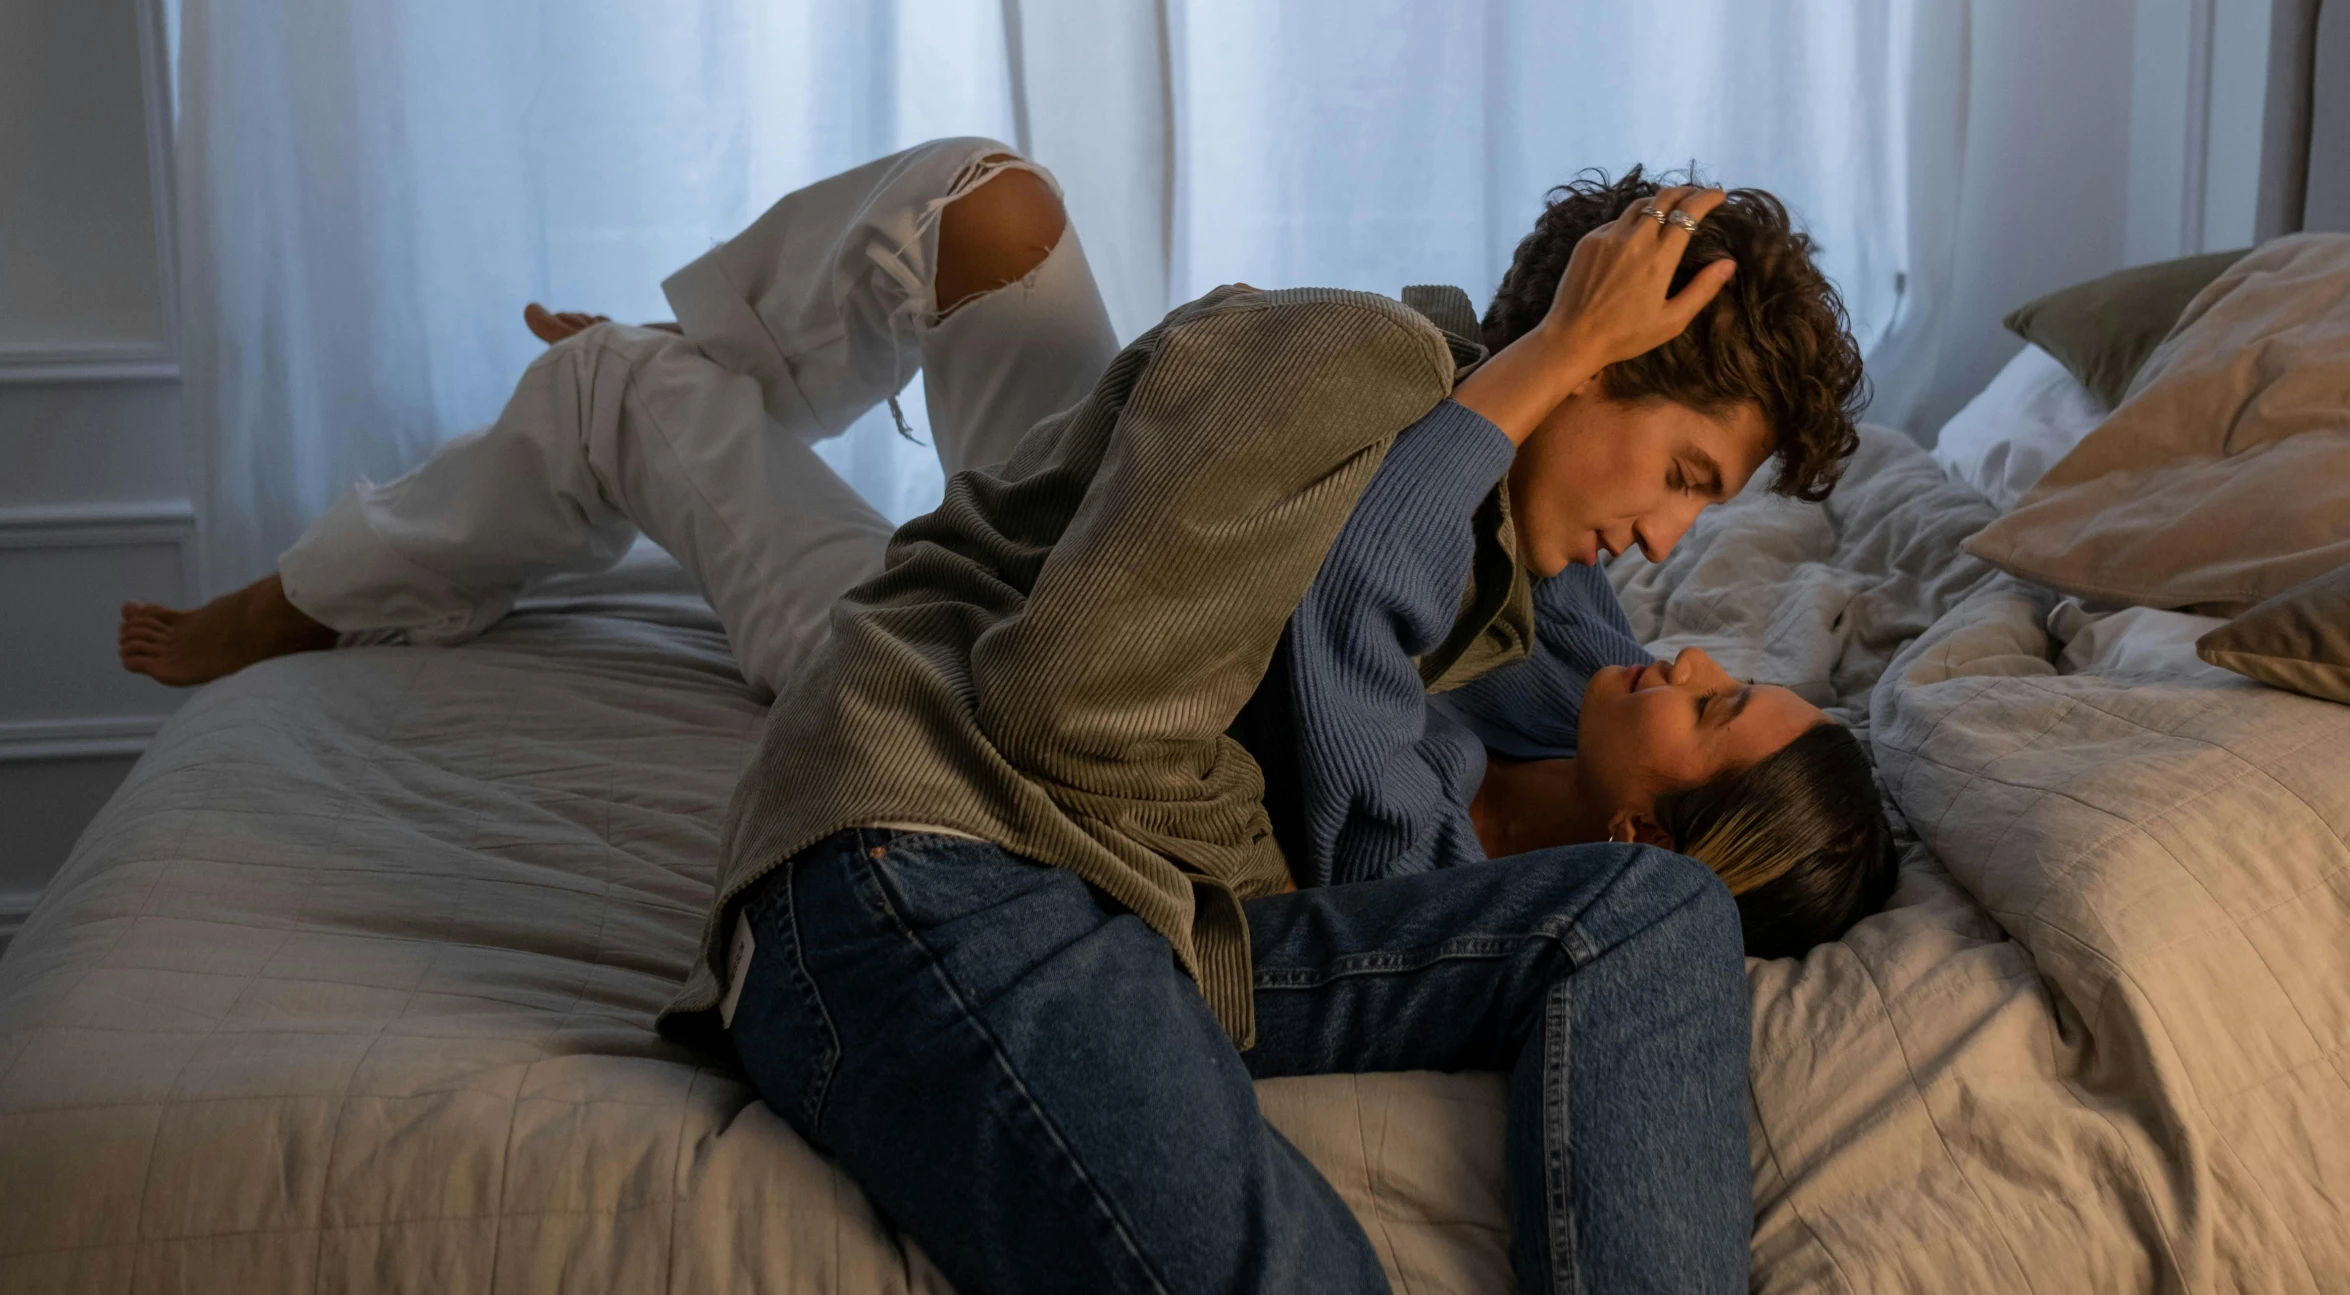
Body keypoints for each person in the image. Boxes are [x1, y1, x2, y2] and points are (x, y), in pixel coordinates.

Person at [121, 139, 1889, 1293]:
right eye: (1676, 470)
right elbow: (1070, 704)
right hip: (931, 857)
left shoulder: (1491, 567)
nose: (1667, 538)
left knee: (1646, 907)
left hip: (1122, 909)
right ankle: (581, 426)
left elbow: (1619, 724)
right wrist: (1532, 366)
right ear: (1590, 360)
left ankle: (662, 392)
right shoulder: (1352, 363)